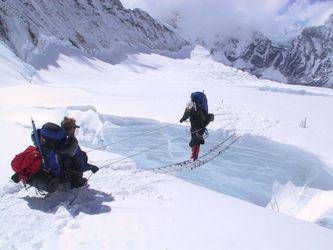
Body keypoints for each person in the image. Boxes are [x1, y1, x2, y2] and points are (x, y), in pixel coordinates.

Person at [60, 117, 99, 188]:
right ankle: (76, 181)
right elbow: (81, 165)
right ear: (71, 129)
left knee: (81, 154)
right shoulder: (71, 142)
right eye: (74, 128)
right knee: (83, 155)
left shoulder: (58, 139)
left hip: (56, 170)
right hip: (65, 173)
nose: (75, 130)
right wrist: (91, 167)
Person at [180, 92, 214, 161]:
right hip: (201, 124)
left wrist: (182, 119)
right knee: (196, 139)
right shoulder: (201, 105)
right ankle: (194, 156)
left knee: (195, 139)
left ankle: (193, 157)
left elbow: (186, 113)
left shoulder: (191, 104)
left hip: (195, 124)